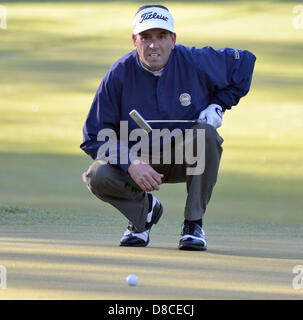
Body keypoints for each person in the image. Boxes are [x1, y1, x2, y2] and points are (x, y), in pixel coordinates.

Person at [80, 5, 256, 250]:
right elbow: (94, 136)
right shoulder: (118, 74)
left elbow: (244, 63)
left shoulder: (194, 60)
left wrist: (219, 104)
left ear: (173, 40)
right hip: (138, 161)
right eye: (146, 37)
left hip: (186, 157)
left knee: (206, 134)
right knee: (97, 175)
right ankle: (143, 213)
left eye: (161, 37)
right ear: (134, 41)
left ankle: (193, 225)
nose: (154, 45)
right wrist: (130, 163)